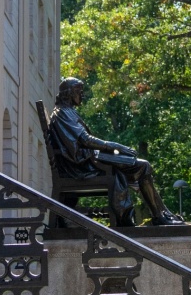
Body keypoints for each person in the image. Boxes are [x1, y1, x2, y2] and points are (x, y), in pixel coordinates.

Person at [46, 77, 183, 226]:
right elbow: (86, 140)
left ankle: (162, 214)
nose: (82, 95)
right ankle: (159, 216)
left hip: (87, 162)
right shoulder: (62, 113)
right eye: (79, 92)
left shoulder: (67, 112)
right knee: (143, 166)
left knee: (141, 166)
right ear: (68, 93)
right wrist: (116, 146)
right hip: (81, 167)